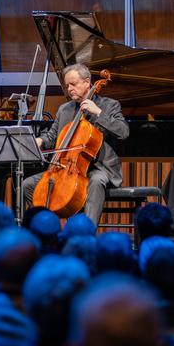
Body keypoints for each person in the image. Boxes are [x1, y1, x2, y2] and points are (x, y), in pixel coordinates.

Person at [23, 63, 129, 225]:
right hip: (66, 168)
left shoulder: (109, 105)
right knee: (28, 185)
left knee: (96, 181)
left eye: (73, 84)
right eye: (67, 86)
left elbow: (123, 132)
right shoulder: (64, 109)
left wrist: (98, 113)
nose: (70, 89)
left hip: (98, 168)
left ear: (87, 82)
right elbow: (52, 136)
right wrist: (40, 140)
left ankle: (86, 233)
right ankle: (49, 228)